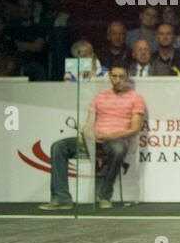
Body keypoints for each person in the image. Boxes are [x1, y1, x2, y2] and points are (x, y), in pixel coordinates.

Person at [38, 66, 144, 210]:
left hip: (115, 141)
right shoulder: (99, 97)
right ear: (109, 77)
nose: (117, 80)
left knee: (118, 149)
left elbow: (135, 129)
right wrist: (89, 136)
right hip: (95, 140)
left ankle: (104, 196)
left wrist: (109, 136)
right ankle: (61, 198)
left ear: (126, 78)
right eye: (114, 76)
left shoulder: (135, 98)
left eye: (121, 77)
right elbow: (89, 125)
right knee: (59, 146)